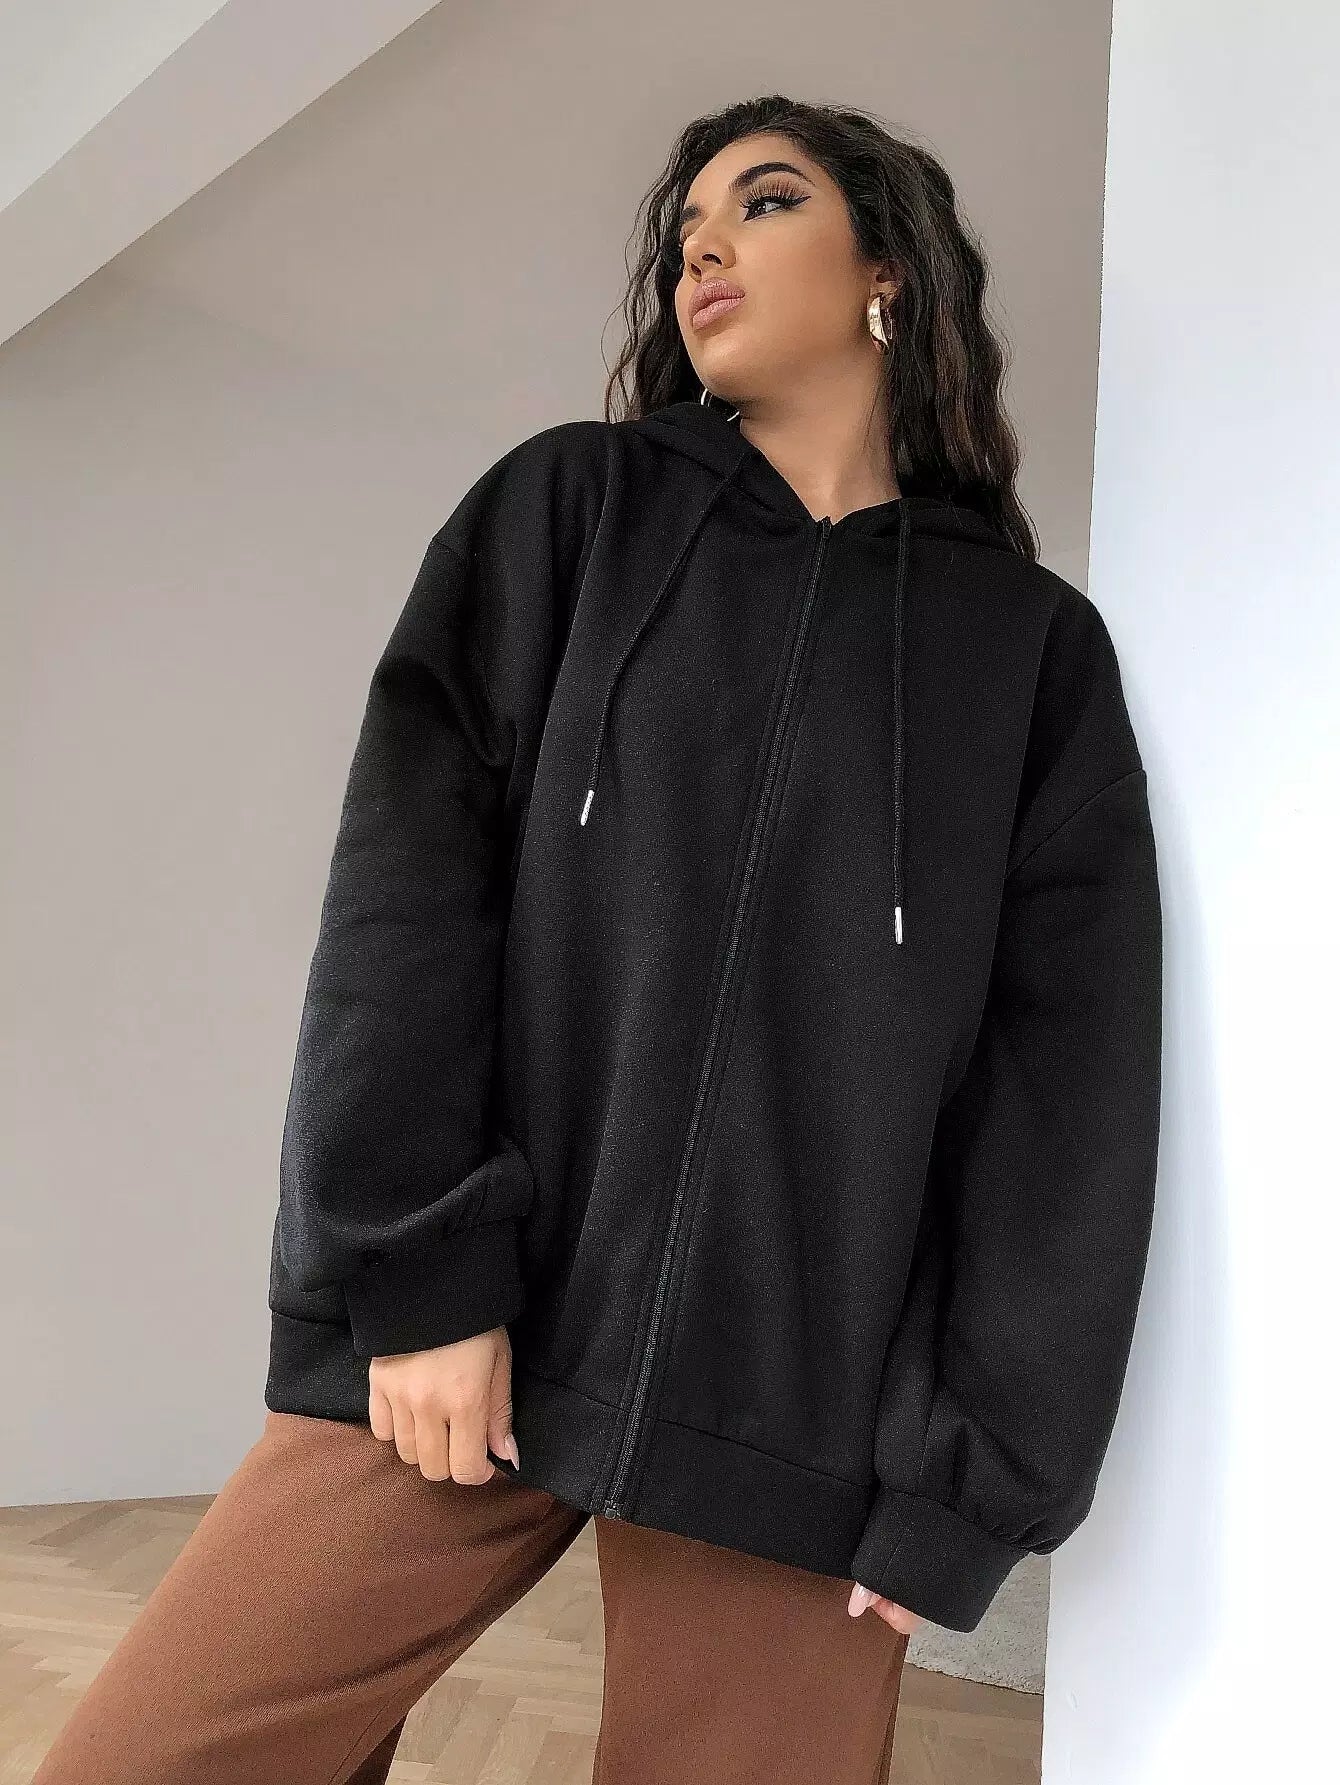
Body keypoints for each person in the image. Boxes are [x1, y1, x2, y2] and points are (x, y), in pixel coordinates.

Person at [32, 94, 1163, 1785]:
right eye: (685, 228)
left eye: (763, 204)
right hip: (460, 1340)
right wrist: (417, 1268)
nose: (703, 246)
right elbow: (409, 900)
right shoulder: (569, 514)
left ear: (889, 271)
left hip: (797, 1418)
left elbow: (1064, 1094)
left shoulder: (1030, 658)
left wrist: (968, 1475)